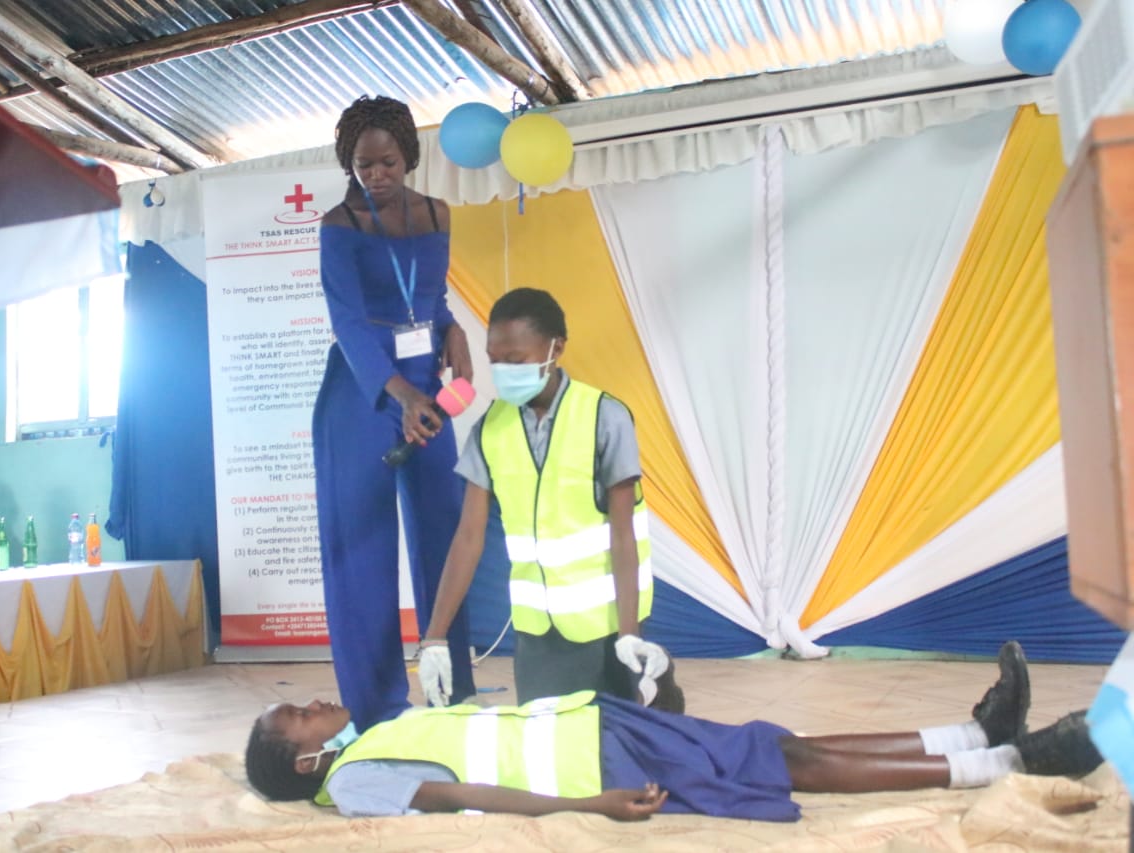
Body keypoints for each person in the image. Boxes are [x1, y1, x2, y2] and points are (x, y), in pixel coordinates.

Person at [244, 641, 1106, 821]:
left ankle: (968, 733)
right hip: (603, 759)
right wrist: (590, 803)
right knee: (784, 761)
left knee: (780, 740)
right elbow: (456, 791)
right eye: (299, 715)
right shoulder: (350, 780)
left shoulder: (361, 744)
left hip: (594, 723)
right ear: (305, 754)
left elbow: (471, 739)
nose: (314, 702)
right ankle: (1003, 759)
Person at [417, 287, 669, 709]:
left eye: (516, 360)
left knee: (613, 747)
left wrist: (629, 632)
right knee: (548, 749)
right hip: (536, 635)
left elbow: (623, 534)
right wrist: (435, 637)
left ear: (557, 348)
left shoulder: (604, 417)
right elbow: (468, 538)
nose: (503, 370)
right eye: (495, 361)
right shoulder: (489, 430)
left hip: (606, 627)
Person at [312, 95, 475, 730]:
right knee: (363, 550)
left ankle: (450, 692)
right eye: (362, 165)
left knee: (444, 532)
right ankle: (376, 707)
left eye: (386, 162)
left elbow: (429, 298)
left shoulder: (437, 213)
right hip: (361, 387)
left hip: (426, 383)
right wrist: (398, 393)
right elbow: (348, 322)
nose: (375, 175)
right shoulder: (338, 225)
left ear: (407, 156)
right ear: (348, 164)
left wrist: (454, 328)